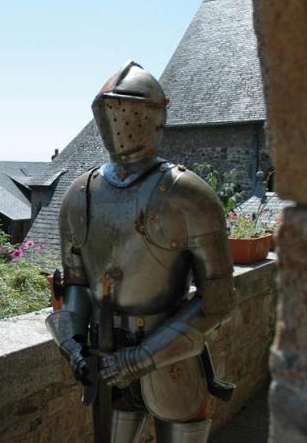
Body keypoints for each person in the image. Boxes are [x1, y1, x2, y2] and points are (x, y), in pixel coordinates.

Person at [46, 61, 236, 443]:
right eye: (109, 111)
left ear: (154, 117)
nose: (116, 120)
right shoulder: (80, 195)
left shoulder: (187, 194)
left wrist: (142, 357)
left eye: (126, 110)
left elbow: (218, 299)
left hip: (170, 355)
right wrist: (74, 347)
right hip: (106, 357)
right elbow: (77, 288)